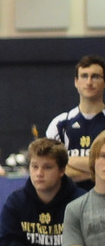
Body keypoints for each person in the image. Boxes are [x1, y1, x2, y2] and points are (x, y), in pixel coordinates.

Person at [45, 55, 105, 190]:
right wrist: (98, 170)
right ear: (76, 82)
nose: (89, 82)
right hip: (68, 202)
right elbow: (50, 170)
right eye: (84, 76)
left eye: (95, 76)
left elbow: (59, 167)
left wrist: (67, 161)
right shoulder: (59, 124)